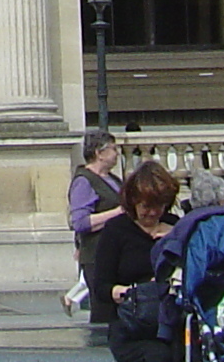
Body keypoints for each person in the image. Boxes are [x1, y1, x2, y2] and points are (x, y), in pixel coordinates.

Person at [92, 159, 180, 362]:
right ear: (133, 202)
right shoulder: (116, 230)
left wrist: (174, 237)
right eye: (146, 206)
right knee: (157, 356)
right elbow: (101, 287)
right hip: (132, 326)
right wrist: (132, 293)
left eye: (159, 206)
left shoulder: (176, 227)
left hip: (170, 321)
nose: (152, 212)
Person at [67, 128, 125, 314]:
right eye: (113, 149)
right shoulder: (84, 181)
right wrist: (118, 212)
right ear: (99, 153)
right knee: (104, 309)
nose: (117, 154)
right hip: (96, 255)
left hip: (117, 252)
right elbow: (81, 222)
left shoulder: (113, 179)